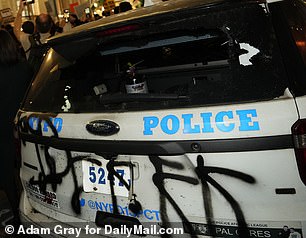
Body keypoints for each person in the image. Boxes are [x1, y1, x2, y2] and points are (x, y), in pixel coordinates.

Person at [0, 29, 33, 225]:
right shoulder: (24, 67)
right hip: (24, 127)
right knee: (28, 170)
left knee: (7, 176)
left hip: (2, 130)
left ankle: (16, 213)